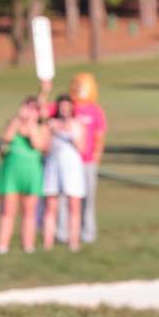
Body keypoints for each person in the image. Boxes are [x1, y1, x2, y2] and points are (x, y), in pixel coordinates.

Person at [41, 73, 107, 244]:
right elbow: (42, 111)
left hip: (87, 161)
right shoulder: (64, 107)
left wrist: (96, 156)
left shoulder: (95, 110)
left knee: (87, 199)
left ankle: (87, 233)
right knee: (62, 200)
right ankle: (62, 233)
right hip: (64, 163)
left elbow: (100, 134)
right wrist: (45, 90)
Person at [0, 97, 47, 253]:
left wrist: (31, 126)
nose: (30, 112)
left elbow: (39, 145)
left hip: (31, 172)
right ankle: (2, 245)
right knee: (7, 210)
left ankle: (28, 245)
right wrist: (17, 121)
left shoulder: (41, 127)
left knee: (29, 211)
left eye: (34, 109)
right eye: (27, 108)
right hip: (11, 172)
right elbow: (6, 139)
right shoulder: (13, 123)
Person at [41, 95, 87, 251]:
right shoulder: (51, 124)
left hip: (72, 168)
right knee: (50, 206)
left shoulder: (77, 125)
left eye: (67, 107)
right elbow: (45, 149)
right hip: (53, 166)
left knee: (73, 206)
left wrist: (70, 132)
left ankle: (73, 241)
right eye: (61, 106)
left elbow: (82, 149)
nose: (64, 110)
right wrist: (53, 131)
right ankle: (48, 243)